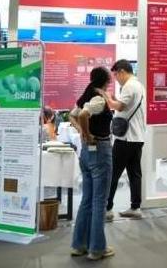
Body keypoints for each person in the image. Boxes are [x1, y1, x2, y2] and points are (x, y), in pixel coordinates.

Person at [69, 67, 114, 261]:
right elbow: (82, 116)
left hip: (86, 155)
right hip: (100, 151)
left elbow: (72, 115)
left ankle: (79, 245)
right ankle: (97, 249)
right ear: (105, 81)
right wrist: (87, 134)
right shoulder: (98, 99)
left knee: (87, 200)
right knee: (99, 202)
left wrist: (82, 133)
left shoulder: (86, 96)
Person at [99, 60, 147, 221]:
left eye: (116, 75)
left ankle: (107, 209)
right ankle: (135, 207)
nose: (116, 79)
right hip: (137, 137)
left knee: (113, 173)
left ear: (122, 71)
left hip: (126, 138)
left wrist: (106, 96)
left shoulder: (129, 86)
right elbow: (124, 106)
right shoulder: (139, 86)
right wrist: (113, 99)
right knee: (134, 173)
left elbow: (118, 107)